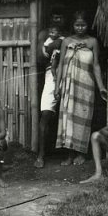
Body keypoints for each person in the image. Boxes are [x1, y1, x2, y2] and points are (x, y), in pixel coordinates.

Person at [54, 11, 107, 166]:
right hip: (69, 85)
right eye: (77, 25)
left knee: (83, 119)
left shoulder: (92, 42)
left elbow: (96, 65)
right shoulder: (66, 42)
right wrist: (57, 87)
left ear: (88, 25)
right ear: (73, 25)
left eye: (83, 25)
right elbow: (61, 65)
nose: (80, 28)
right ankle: (69, 155)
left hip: (86, 86)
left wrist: (101, 87)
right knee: (68, 119)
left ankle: (81, 153)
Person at [34, 21, 63, 168]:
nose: (57, 20)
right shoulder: (45, 36)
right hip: (51, 76)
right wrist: (55, 43)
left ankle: (71, 155)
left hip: (68, 74)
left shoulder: (68, 36)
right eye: (54, 17)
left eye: (60, 17)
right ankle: (41, 155)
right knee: (45, 114)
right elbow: (40, 56)